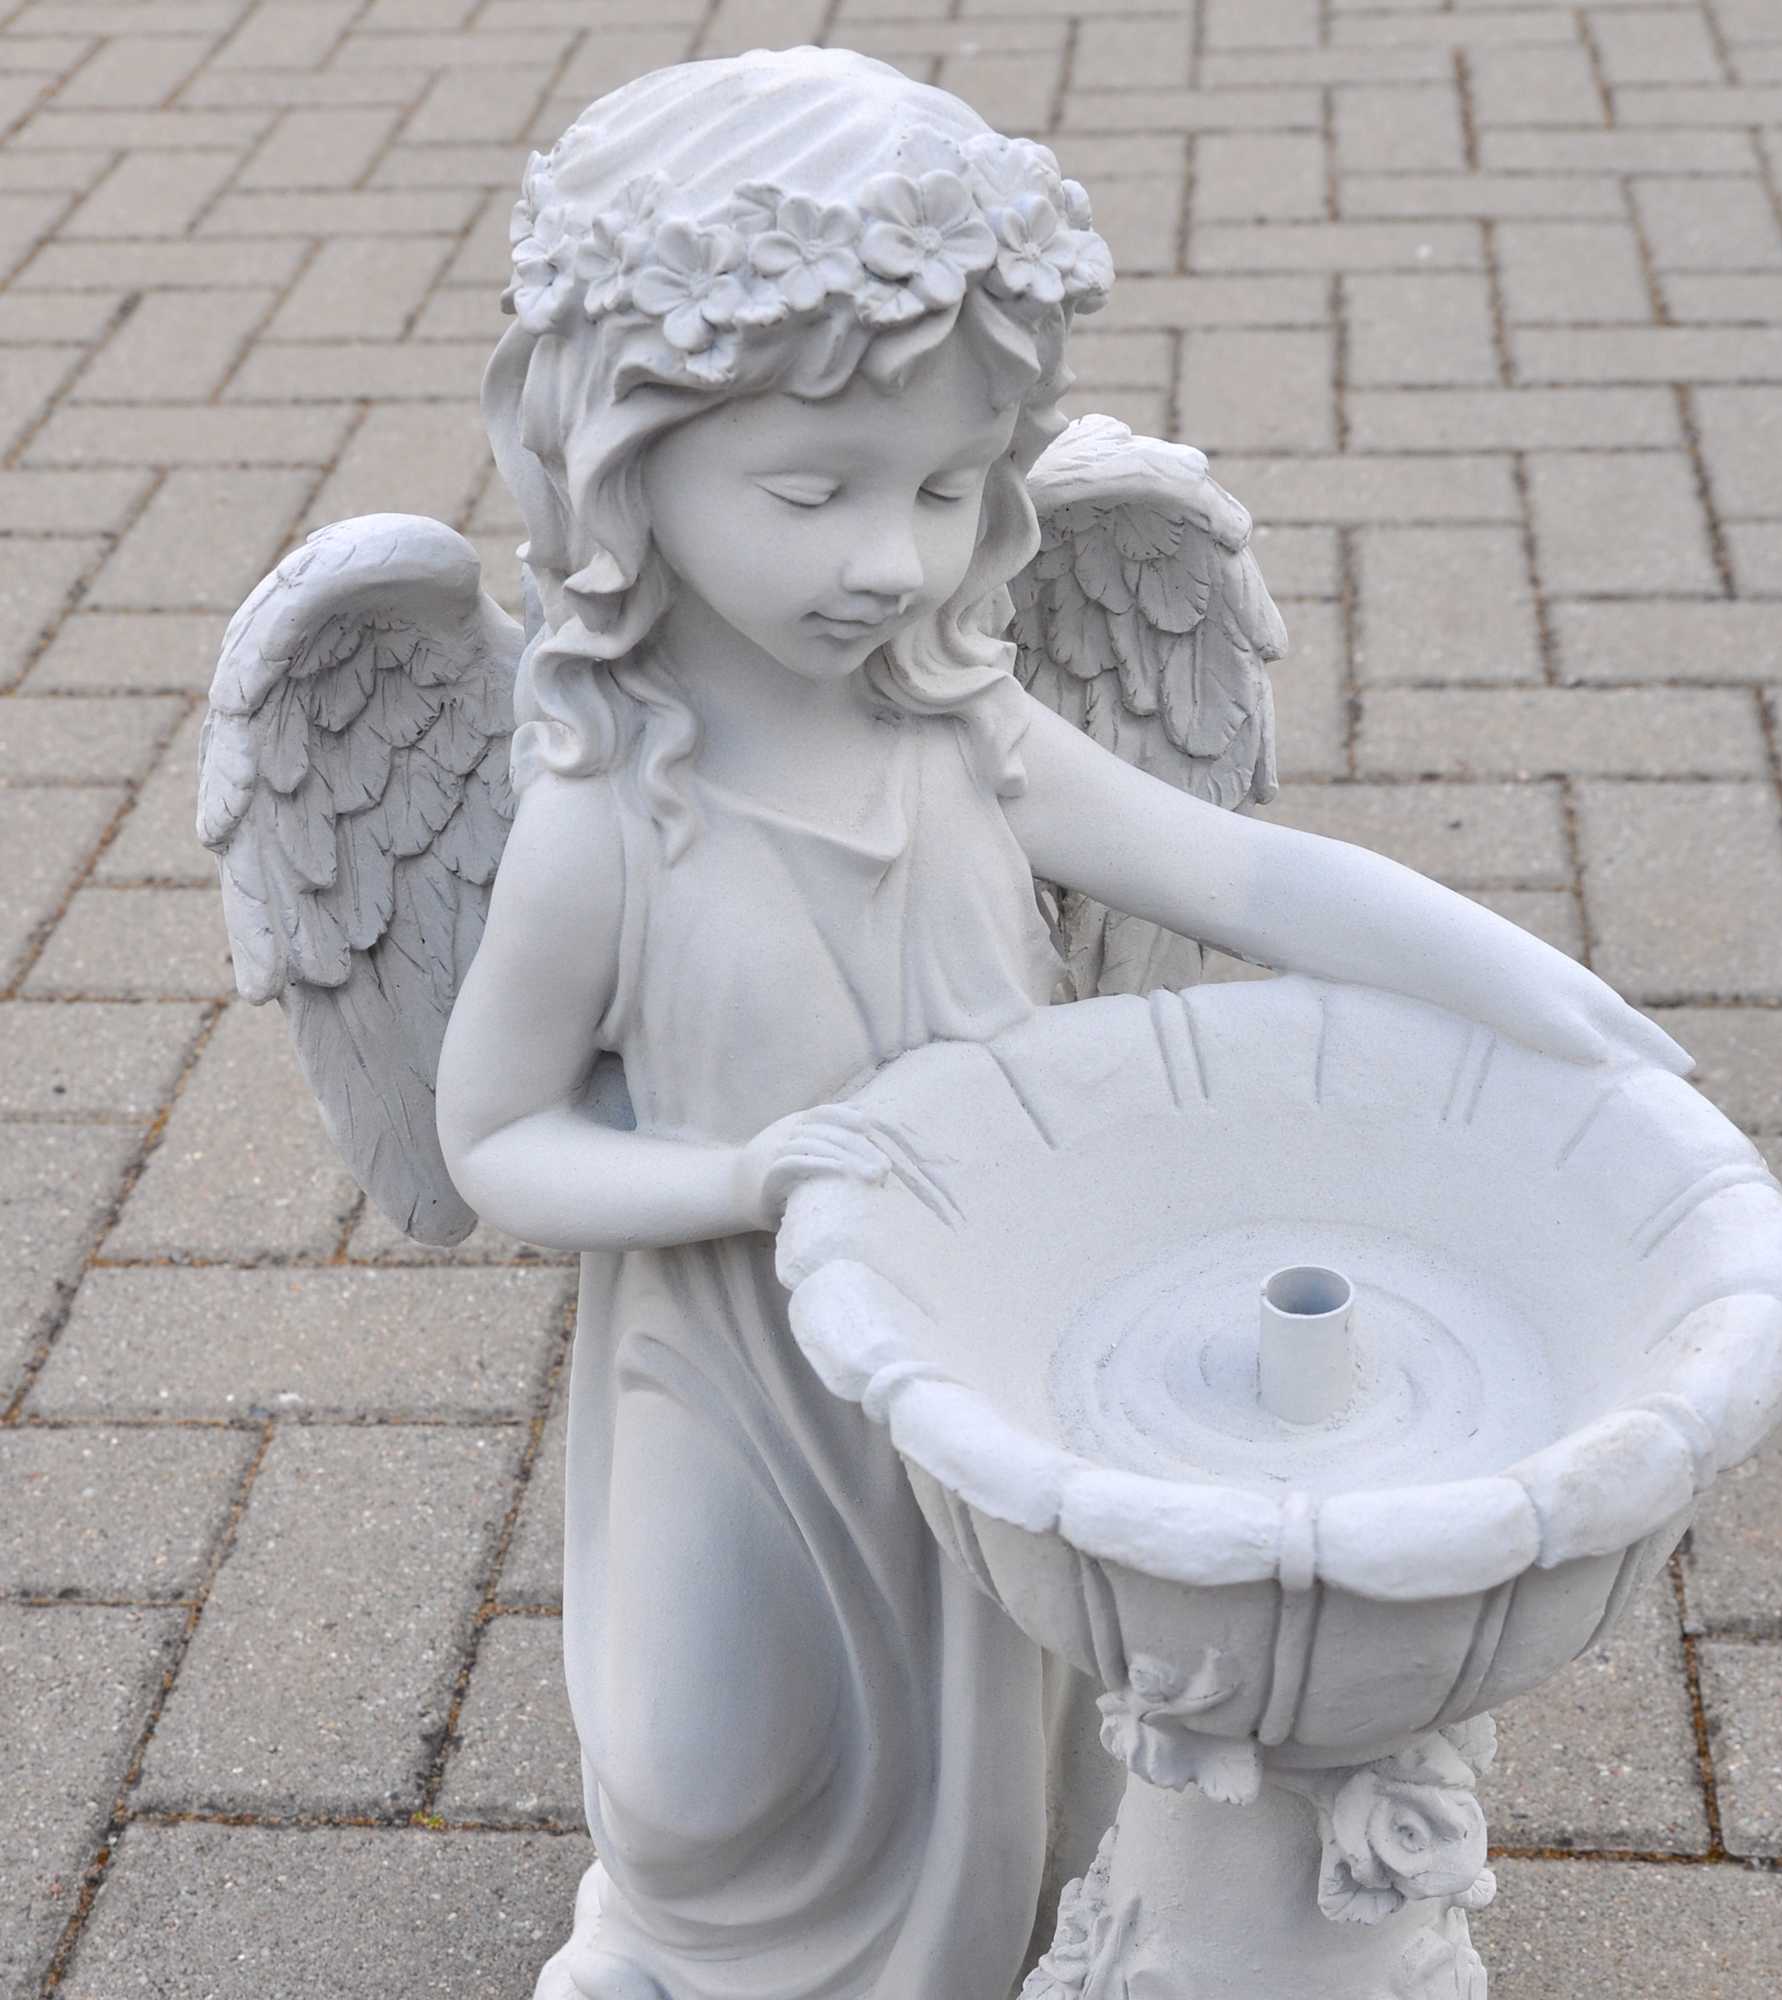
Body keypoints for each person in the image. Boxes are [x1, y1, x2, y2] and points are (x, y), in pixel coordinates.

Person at [434, 46, 1687, 2000]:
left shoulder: (967, 734)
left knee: (1030, 1711)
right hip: (743, 1362)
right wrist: (744, 1177)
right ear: (623, 466)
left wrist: (1532, 989)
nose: (892, 558)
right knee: (693, 1772)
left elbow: (1244, 877)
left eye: (947, 490)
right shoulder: (609, 820)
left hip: (986, 1337)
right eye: (812, 490)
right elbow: (493, 1138)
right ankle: (686, 1945)